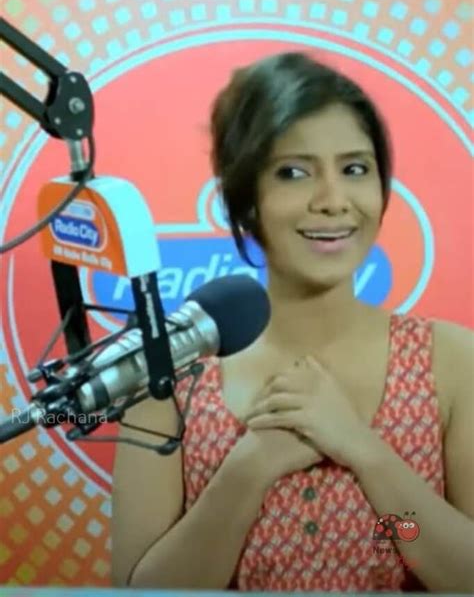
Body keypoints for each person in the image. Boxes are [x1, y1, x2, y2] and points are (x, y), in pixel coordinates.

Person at [111, 51, 474, 592]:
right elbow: (138, 592)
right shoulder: (172, 371)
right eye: (294, 173)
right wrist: (250, 468)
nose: (333, 201)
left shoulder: (450, 360)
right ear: (247, 199)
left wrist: (361, 448)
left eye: (355, 169)